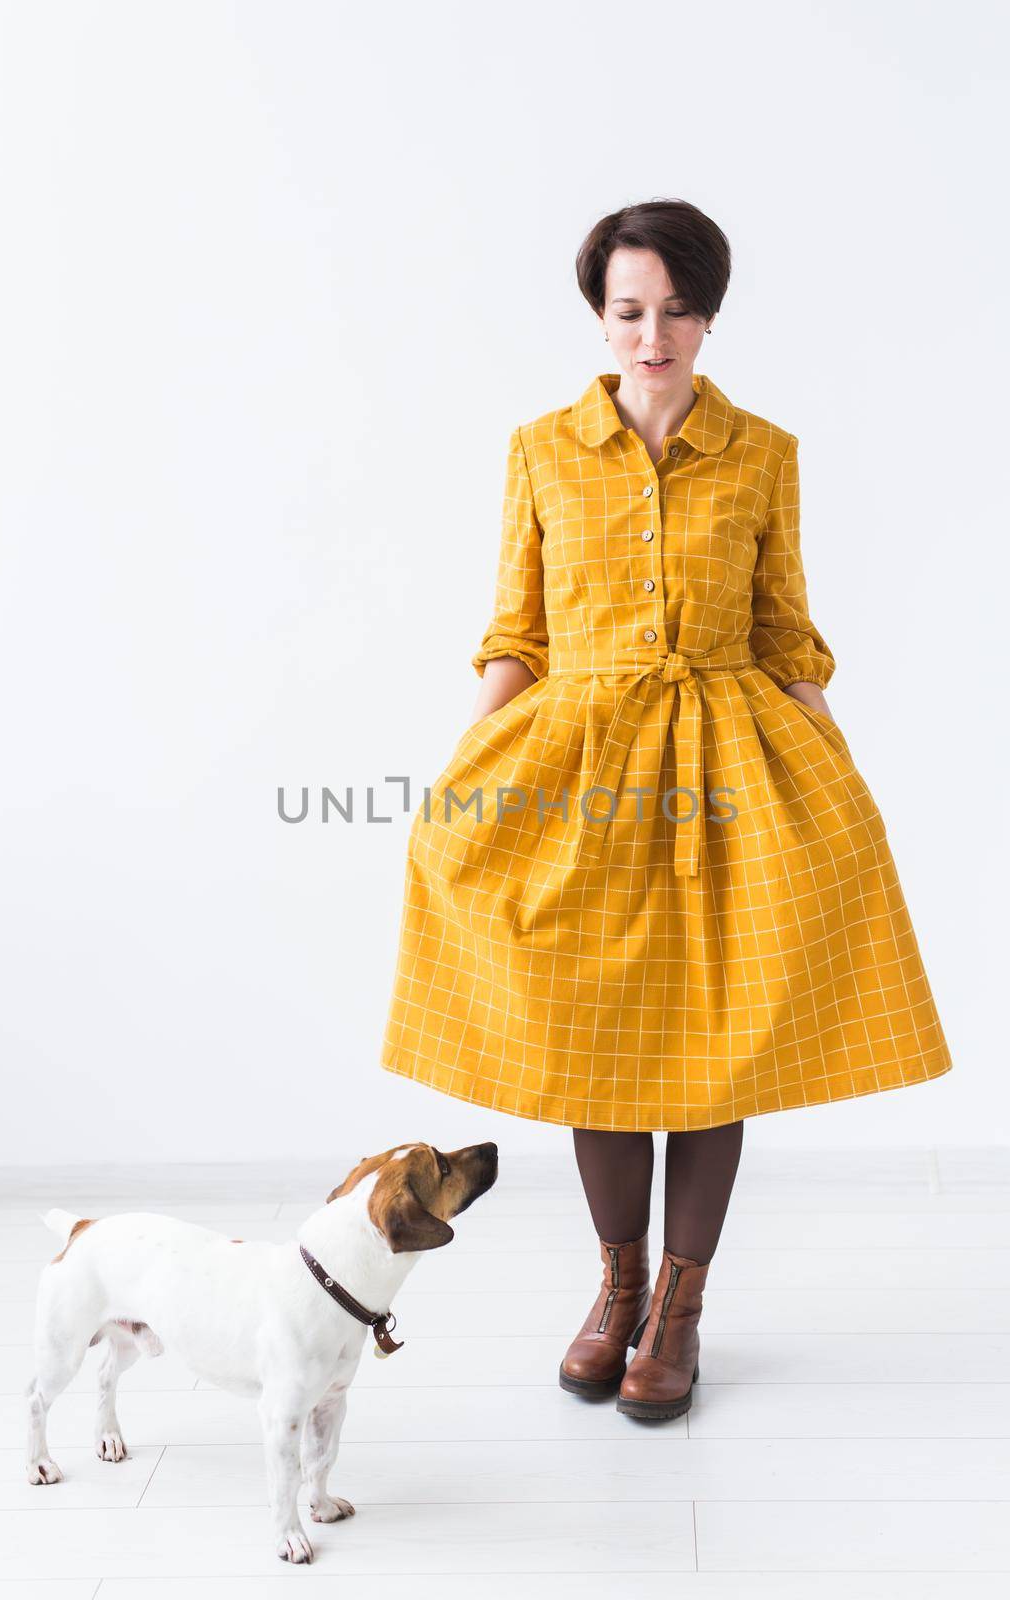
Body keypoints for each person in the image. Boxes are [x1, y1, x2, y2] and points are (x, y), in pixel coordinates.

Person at [380, 198, 953, 1422]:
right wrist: (469, 756)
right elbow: (518, 630)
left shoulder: (763, 451)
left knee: (709, 1044)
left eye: (677, 310)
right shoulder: (539, 449)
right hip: (578, 767)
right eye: (630, 311)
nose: (655, 334)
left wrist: (826, 751)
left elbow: (783, 624)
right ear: (599, 316)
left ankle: (679, 1308)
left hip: (728, 765)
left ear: (708, 314)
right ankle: (616, 1285)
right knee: (597, 1036)